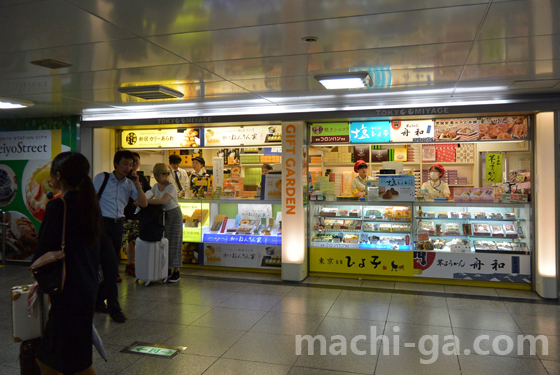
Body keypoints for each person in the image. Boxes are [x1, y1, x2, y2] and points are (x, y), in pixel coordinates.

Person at [32, 152, 101, 375]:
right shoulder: (90, 204)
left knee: (48, 359)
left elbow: (42, 252)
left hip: (67, 290)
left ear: (58, 176)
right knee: (78, 360)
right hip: (87, 287)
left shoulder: (58, 207)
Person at [93, 150, 148, 323]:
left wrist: (137, 183)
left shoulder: (129, 184)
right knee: (110, 266)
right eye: (125, 163)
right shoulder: (101, 178)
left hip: (118, 225)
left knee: (112, 265)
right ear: (116, 163)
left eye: (131, 165)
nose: (128, 167)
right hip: (101, 224)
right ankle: (115, 308)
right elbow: (89, 200)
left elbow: (144, 203)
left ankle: (97, 299)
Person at [148, 163, 183, 283]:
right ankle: (166, 269)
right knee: (165, 242)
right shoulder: (155, 186)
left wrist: (145, 202)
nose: (157, 177)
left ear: (166, 175)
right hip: (163, 215)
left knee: (175, 242)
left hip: (174, 215)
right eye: (155, 175)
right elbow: (148, 195)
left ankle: (176, 271)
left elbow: (163, 200)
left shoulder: (171, 187)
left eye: (159, 175)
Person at [122, 152, 151, 277]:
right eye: (132, 162)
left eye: (136, 162)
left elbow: (149, 192)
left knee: (133, 241)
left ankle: (131, 265)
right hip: (122, 215)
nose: (134, 164)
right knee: (118, 242)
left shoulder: (140, 178)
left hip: (136, 215)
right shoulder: (122, 178)